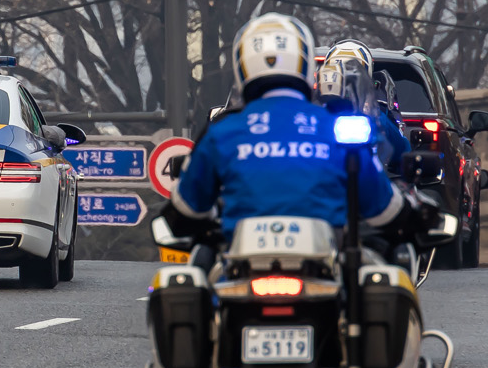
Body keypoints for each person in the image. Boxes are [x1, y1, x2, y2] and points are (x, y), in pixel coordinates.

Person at [163, 14, 408, 242]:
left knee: (191, 272)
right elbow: (384, 206)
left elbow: (187, 207)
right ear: (307, 67)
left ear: (242, 67)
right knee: (386, 278)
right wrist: (415, 216)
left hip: (240, 263)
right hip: (326, 258)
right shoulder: (334, 127)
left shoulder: (224, 130)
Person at [316, 39, 411, 170]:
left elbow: (402, 151)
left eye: (353, 78)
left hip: (366, 178)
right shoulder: (313, 114)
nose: (346, 86)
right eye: (339, 76)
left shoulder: (376, 117)